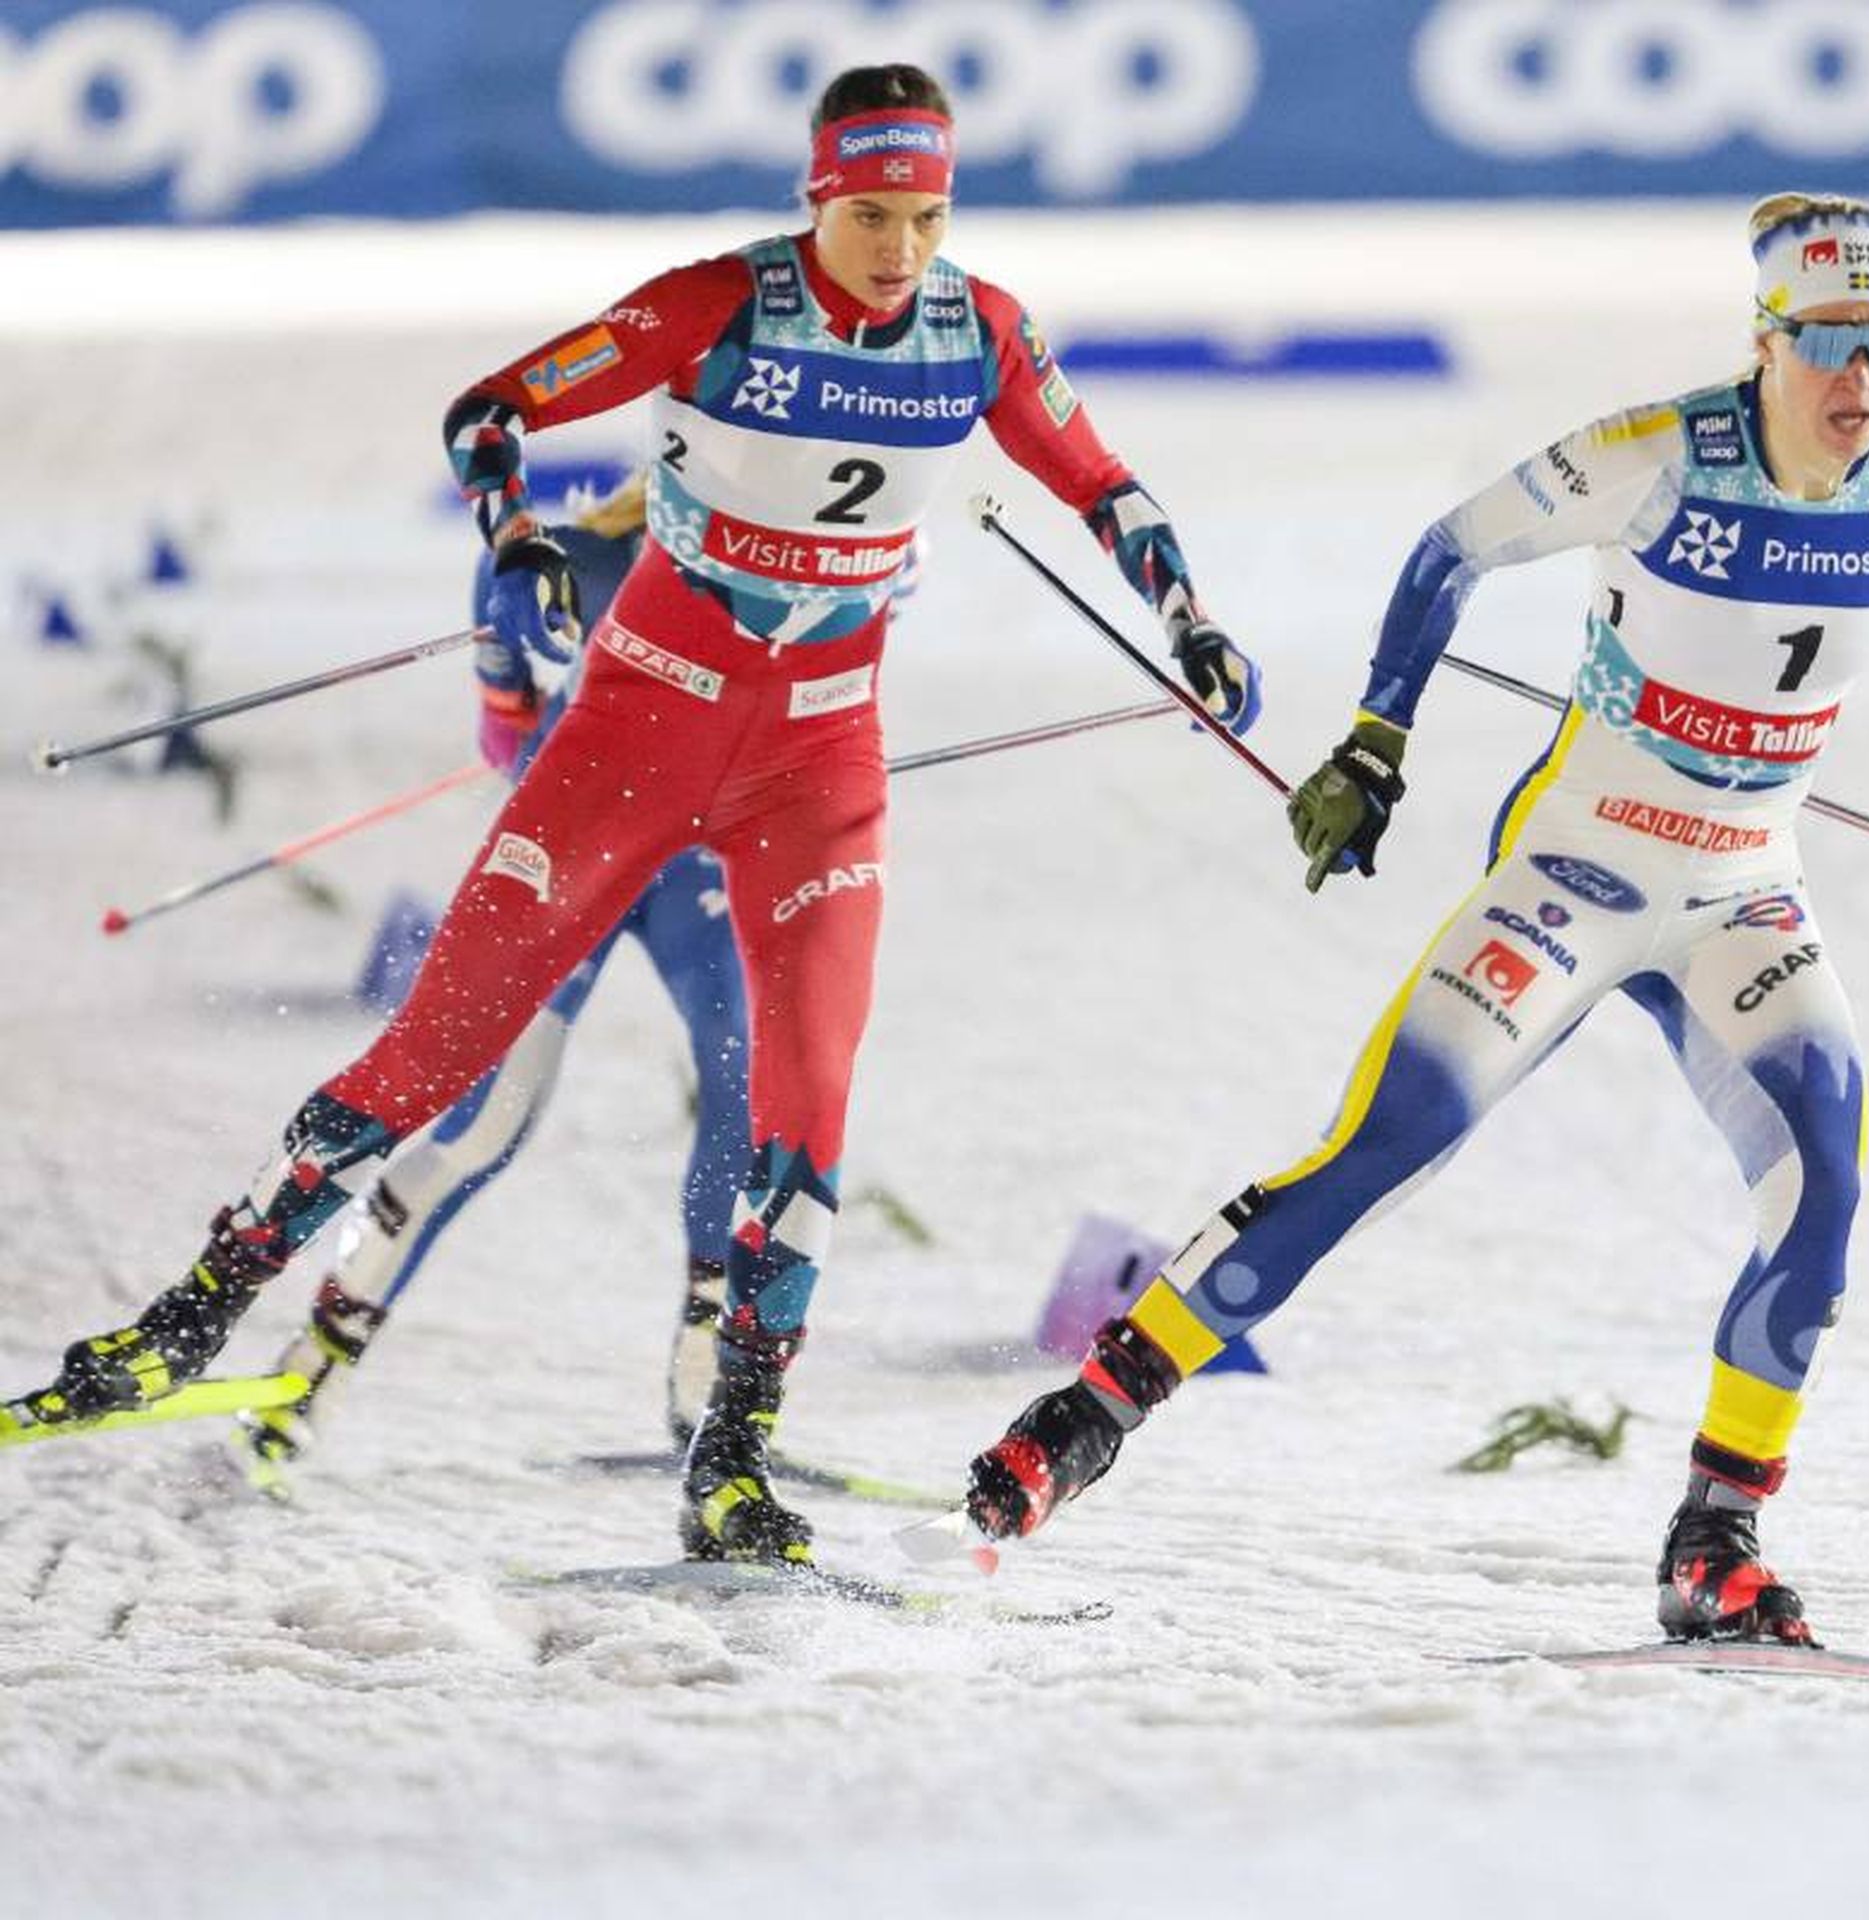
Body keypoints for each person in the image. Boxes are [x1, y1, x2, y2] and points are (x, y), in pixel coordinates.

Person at [6, 63, 1261, 1571]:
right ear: (819, 196)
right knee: (437, 1055)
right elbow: (490, 414)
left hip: (820, 763)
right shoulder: (717, 303)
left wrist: (1192, 626)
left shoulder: (979, 330)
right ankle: (181, 1328)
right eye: (871, 214)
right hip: (639, 725)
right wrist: (519, 538)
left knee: (803, 1112)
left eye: (926, 216)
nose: (900, 249)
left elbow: (1106, 485)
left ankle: (730, 1459)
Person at [958, 194, 1869, 1647]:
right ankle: (1085, 1416)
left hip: (1745, 889)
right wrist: (1373, 747)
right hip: (1577, 872)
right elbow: (1450, 551)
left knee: (1827, 1193)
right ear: (1768, 338)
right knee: (1385, 1147)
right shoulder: (1657, 457)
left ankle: (1714, 1539)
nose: (1862, 384)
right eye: (1832, 345)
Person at [226, 473, 758, 1492]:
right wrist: (574, 768)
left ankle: (714, 1402)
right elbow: (504, 732)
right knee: (482, 1125)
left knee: (749, 1082)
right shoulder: (570, 560)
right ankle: (312, 1371)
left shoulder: (802, 554)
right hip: (584, 853)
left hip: (700, 863)